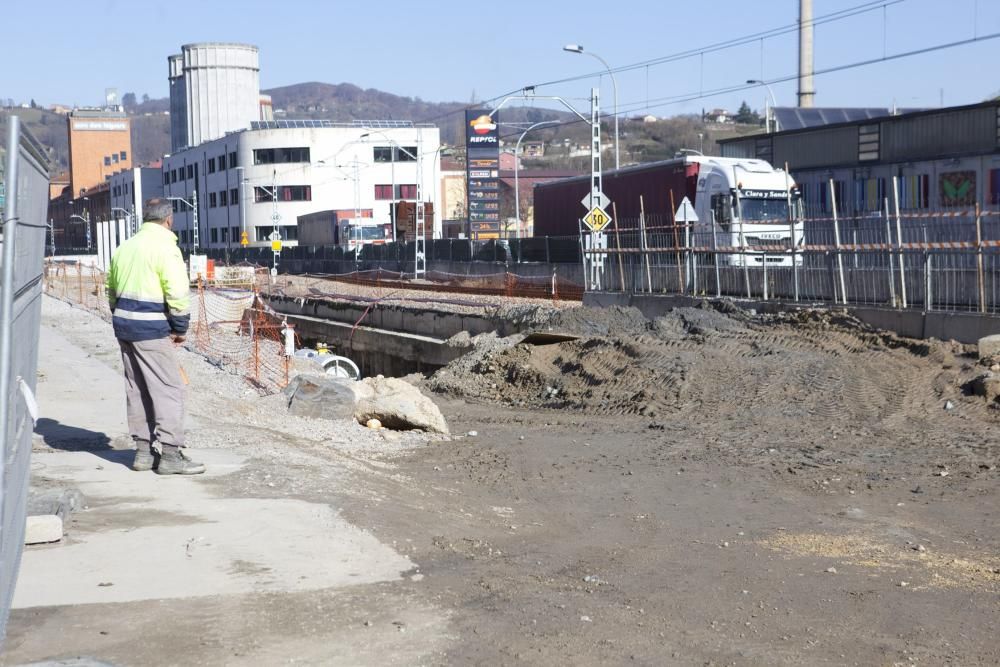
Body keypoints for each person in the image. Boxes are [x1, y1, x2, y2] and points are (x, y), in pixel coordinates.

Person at [106, 198, 204, 475]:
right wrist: (180, 327)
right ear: (169, 220)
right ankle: (171, 455)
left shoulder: (125, 248)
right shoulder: (166, 248)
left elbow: (109, 289)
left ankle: (143, 454)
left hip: (124, 326)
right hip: (151, 328)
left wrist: (121, 315)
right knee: (169, 389)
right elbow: (177, 291)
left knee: (136, 388)